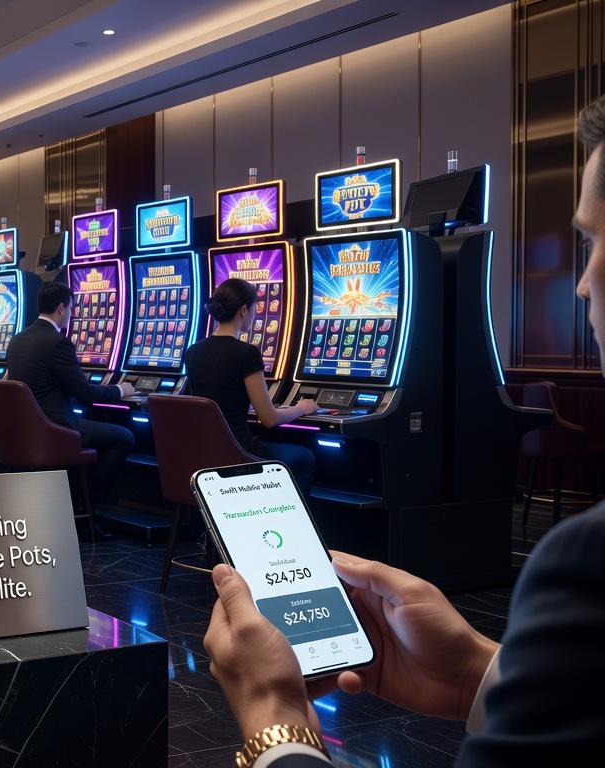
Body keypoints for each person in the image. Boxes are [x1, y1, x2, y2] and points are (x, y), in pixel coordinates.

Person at [201, 96, 605, 767]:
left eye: (591, 242)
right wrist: (479, 670)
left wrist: (273, 722)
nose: (583, 283)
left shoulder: (583, 565)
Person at [5, 280, 134, 509]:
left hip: (24, 430)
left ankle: (77, 502)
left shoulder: (17, 340)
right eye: (72, 308)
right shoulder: (57, 343)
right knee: (124, 437)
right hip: (56, 428)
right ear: (62, 308)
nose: (72, 314)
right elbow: (85, 394)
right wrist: (119, 389)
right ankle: (85, 506)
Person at [185, 277, 318, 490]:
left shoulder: (193, 351)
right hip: (238, 451)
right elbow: (269, 418)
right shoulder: (247, 353)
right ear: (244, 310)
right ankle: (279, 517)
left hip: (206, 452)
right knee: (305, 458)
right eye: (256, 308)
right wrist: (301, 408)